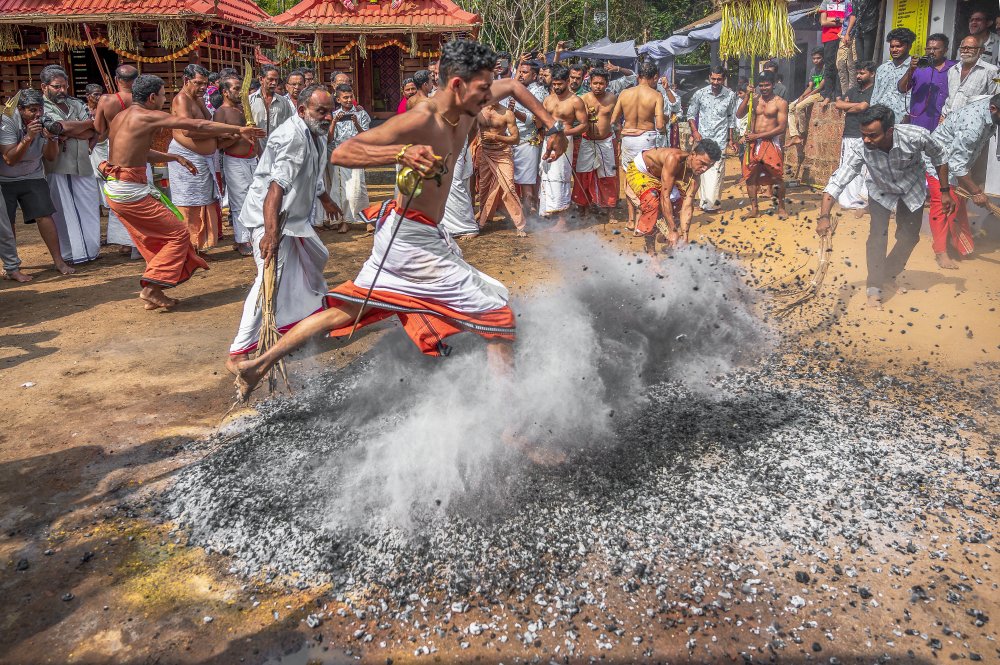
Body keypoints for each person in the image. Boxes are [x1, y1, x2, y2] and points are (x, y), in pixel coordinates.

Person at [233, 39, 567, 404]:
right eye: (483, 89)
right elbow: (344, 152)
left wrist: (552, 127)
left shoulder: (472, 101)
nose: (490, 96)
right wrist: (402, 152)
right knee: (498, 317)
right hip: (410, 240)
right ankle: (510, 426)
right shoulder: (422, 118)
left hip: (417, 232)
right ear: (457, 85)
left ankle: (259, 363)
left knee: (348, 308)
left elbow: (515, 86)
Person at [98, 74, 263, 310]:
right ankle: (152, 289)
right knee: (178, 234)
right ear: (153, 97)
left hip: (119, 189)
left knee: (158, 236)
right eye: (164, 95)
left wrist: (173, 157)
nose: (166, 100)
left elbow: (139, 152)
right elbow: (196, 125)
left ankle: (155, 290)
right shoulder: (146, 116)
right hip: (129, 190)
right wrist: (239, 129)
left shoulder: (121, 117)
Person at [227, 85, 342, 371]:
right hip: (270, 219)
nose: (327, 117)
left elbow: (312, 172)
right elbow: (275, 189)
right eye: (320, 111)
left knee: (313, 264)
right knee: (269, 280)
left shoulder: (314, 133)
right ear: (302, 111)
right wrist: (270, 233)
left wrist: (325, 199)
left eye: (330, 111)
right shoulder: (293, 138)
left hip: (295, 220)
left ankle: (305, 322)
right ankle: (239, 352)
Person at [818, 104, 948, 310]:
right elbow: (838, 180)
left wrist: (945, 191)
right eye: (863, 134)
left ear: (890, 131)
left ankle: (888, 274)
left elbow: (940, 156)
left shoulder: (916, 136)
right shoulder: (861, 148)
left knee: (909, 237)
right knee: (878, 236)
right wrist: (823, 216)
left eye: (872, 135)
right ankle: (874, 288)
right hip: (880, 189)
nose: (867, 140)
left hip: (911, 188)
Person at [0, 88, 72, 281]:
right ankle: (11, 266)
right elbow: (9, 159)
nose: (37, 114)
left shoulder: (44, 119)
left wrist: (52, 138)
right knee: (7, 222)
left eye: (39, 109)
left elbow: (50, 157)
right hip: (4, 178)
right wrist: (28, 137)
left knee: (45, 215)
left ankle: (59, 261)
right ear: (21, 109)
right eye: (32, 110)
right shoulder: (7, 120)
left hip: (32, 175)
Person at [924, 94, 1000, 269]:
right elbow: (956, 165)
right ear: (994, 109)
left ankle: (956, 243)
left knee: (957, 204)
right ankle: (940, 252)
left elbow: (968, 156)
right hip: (937, 162)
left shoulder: (990, 112)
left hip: (957, 162)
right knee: (942, 205)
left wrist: (975, 183)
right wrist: (977, 192)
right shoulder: (973, 126)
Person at [40, 66, 101, 265]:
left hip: (82, 161)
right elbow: (55, 127)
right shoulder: (41, 107)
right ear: (44, 87)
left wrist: (66, 130)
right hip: (57, 164)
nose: (62, 91)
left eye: (64, 86)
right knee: (62, 210)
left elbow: (92, 130)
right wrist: (77, 127)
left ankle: (91, 250)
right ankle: (71, 254)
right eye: (56, 87)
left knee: (89, 205)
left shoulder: (76, 103)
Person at [623, 141, 720, 256]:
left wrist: (685, 236)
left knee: (678, 205)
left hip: (663, 178)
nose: (704, 169)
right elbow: (665, 197)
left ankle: (667, 239)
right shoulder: (674, 159)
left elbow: (687, 207)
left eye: (709, 166)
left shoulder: (695, 178)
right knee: (653, 202)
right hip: (641, 172)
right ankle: (651, 255)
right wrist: (673, 231)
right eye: (702, 163)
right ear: (692, 154)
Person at [168, 64, 223, 252]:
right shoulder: (182, 99)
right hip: (186, 158)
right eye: (198, 83)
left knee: (203, 200)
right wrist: (217, 133)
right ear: (186, 81)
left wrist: (214, 132)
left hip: (202, 158)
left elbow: (208, 121)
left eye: (205, 84)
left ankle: (199, 245)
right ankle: (189, 246)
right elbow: (187, 130)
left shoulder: (196, 98)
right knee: (189, 203)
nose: (202, 87)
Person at [612, 62, 665, 230]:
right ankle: (645, 218)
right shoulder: (656, 95)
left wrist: (621, 133)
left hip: (628, 138)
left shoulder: (625, 93)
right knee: (646, 179)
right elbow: (661, 125)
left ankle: (631, 220)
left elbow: (613, 121)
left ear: (639, 76)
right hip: (646, 139)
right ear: (654, 77)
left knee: (630, 178)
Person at [92, 65, 139, 255]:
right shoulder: (143, 99)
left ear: (116, 79)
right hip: (140, 150)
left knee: (121, 197)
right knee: (141, 195)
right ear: (136, 80)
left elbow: (98, 129)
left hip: (116, 151)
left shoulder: (106, 100)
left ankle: (126, 243)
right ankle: (138, 241)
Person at [539, 64, 587, 229]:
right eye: (554, 84)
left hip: (565, 142)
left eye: (560, 84)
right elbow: (540, 120)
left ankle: (562, 220)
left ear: (567, 81)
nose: (557, 87)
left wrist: (565, 134)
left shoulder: (575, 101)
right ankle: (549, 213)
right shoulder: (548, 99)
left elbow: (584, 125)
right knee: (546, 176)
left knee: (561, 177)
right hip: (547, 141)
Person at [736, 71, 789, 219]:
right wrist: (747, 96)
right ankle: (754, 209)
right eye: (761, 86)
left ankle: (781, 208)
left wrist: (757, 136)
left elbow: (781, 128)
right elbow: (739, 115)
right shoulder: (755, 99)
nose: (764, 88)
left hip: (771, 142)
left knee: (776, 176)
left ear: (773, 85)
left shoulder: (780, 102)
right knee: (750, 176)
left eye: (767, 85)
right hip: (753, 143)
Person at [215, 74, 257, 256]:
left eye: (242, 88)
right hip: (234, 160)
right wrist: (239, 135)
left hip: (252, 159)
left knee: (255, 198)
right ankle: (242, 239)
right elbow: (218, 143)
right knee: (239, 200)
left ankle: (254, 236)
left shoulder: (242, 108)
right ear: (225, 92)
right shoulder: (221, 113)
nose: (240, 92)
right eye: (236, 89)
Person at [687, 66, 738, 213]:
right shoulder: (700, 94)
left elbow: (731, 118)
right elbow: (691, 114)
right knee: (701, 170)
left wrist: (730, 139)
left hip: (720, 139)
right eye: (713, 78)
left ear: (724, 79)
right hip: (702, 140)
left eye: (719, 79)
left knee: (716, 171)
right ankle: (703, 202)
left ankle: (714, 204)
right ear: (709, 78)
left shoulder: (730, 95)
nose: (716, 82)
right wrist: (695, 131)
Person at [475, 98, 525, 235]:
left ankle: (520, 225)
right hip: (485, 152)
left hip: (502, 153)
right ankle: (482, 219)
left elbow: (516, 139)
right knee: (484, 188)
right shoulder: (478, 110)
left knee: (509, 187)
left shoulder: (507, 113)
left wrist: (495, 137)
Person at [572, 68, 619, 214]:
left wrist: (619, 136)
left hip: (605, 141)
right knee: (583, 174)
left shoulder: (612, 98)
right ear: (590, 83)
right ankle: (582, 208)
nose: (598, 86)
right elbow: (577, 120)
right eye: (595, 83)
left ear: (606, 84)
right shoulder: (584, 98)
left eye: (601, 83)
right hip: (587, 140)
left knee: (607, 176)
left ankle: (609, 209)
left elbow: (616, 121)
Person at [326, 84, 370, 232]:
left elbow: (366, 136)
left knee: (358, 188)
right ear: (338, 99)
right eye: (345, 97)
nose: (349, 100)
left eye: (351, 96)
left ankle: (365, 218)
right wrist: (334, 122)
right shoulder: (333, 115)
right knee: (341, 190)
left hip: (356, 153)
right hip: (340, 154)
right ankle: (343, 220)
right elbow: (330, 139)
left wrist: (356, 123)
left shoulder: (361, 113)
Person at [506, 60, 548, 215]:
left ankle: (528, 215)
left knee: (527, 182)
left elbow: (535, 120)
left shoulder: (538, 92)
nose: (521, 75)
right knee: (516, 179)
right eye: (520, 72)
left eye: (525, 72)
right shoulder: (516, 89)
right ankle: (519, 212)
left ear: (535, 75)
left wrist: (515, 111)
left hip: (527, 141)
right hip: (512, 140)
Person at [832, 61, 874, 212]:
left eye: (862, 73)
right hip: (849, 133)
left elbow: (864, 107)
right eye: (857, 73)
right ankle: (849, 201)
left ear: (872, 74)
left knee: (865, 168)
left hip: (865, 135)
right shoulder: (853, 90)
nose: (858, 76)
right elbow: (838, 105)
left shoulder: (874, 91)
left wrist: (849, 106)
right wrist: (855, 106)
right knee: (848, 166)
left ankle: (864, 201)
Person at [897, 34, 954, 131]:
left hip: (945, 123)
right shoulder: (919, 68)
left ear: (945, 50)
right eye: (928, 49)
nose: (931, 52)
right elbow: (901, 89)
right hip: (920, 123)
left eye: (936, 49)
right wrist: (911, 69)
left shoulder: (955, 67)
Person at [941, 36, 1000, 119]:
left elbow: (996, 99)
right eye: (963, 48)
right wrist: (943, 115)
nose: (965, 50)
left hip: (973, 124)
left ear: (981, 50)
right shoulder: (953, 70)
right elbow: (950, 97)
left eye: (970, 48)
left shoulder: (992, 71)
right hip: (948, 122)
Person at [871, 28, 915, 123]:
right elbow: (875, 95)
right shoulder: (882, 68)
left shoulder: (916, 68)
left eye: (898, 46)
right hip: (881, 120)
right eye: (892, 46)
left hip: (903, 121)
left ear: (909, 46)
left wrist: (908, 116)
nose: (894, 50)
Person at [786, 48, 826, 146]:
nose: (816, 60)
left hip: (822, 94)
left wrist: (807, 96)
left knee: (799, 107)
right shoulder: (813, 70)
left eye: (818, 58)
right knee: (791, 107)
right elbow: (810, 87)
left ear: (823, 58)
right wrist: (802, 96)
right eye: (814, 59)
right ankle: (794, 135)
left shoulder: (826, 69)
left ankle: (801, 133)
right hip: (812, 93)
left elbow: (820, 87)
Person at [250, 65, 295, 147]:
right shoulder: (250, 101)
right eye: (270, 79)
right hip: (255, 148)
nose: (274, 83)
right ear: (261, 79)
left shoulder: (284, 102)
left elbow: (290, 126)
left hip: (278, 148)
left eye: (276, 80)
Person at [818, 1, 853, 100]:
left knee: (841, 65)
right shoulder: (826, 2)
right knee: (830, 66)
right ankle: (828, 95)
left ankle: (838, 95)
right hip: (829, 37)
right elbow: (823, 22)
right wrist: (840, 20)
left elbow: (850, 20)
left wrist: (832, 19)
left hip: (844, 37)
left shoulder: (848, 2)